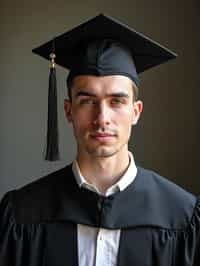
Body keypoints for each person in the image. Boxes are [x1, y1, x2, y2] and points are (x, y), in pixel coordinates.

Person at [0, 14, 199, 266]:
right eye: (87, 101)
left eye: (116, 101)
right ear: (68, 110)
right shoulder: (21, 214)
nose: (102, 117)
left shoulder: (181, 217)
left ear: (136, 112)